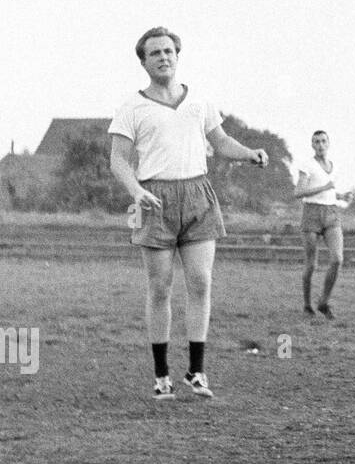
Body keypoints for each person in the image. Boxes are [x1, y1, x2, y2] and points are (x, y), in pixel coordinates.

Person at [109, 26, 269, 400]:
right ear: (144, 61)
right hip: (154, 198)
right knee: (160, 287)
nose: (163, 57)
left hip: (198, 194)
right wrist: (137, 191)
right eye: (155, 53)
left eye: (168, 51)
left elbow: (221, 142)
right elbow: (118, 160)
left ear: (178, 56)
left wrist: (249, 153)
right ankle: (161, 375)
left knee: (201, 282)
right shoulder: (131, 107)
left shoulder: (199, 102)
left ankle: (197, 372)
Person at [294, 130, 349, 318]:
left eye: (323, 141)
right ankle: (307, 304)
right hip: (311, 213)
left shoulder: (334, 166)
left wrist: (341, 196)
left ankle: (324, 302)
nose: (320, 145)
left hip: (331, 212)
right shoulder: (307, 165)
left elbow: (330, 191)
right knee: (311, 264)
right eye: (316, 141)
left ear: (328, 143)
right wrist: (324, 188)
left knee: (337, 259)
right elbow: (298, 192)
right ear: (312, 145)